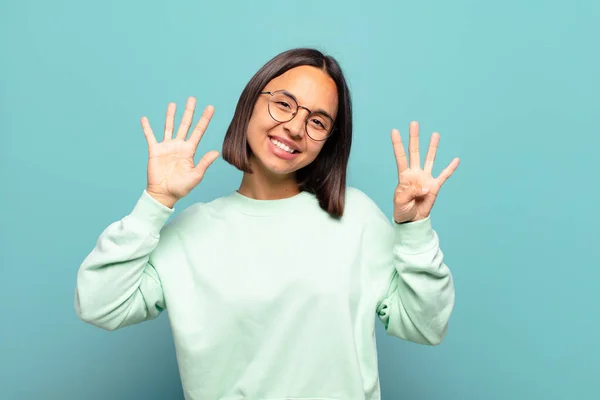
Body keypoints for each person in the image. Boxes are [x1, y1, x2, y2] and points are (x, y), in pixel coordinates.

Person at [74, 47, 460, 400]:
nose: (294, 128)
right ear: (252, 102)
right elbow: (99, 304)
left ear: (328, 141)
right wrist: (155, 202)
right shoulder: (191, 233)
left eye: (318, 122)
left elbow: (426, 326)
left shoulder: (355, 217)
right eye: (284, 104)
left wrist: (414, 231)